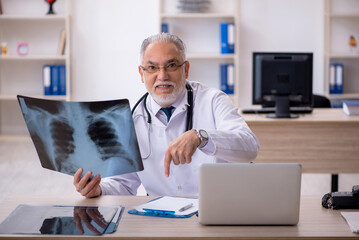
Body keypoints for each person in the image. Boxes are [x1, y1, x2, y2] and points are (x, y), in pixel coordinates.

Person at [73, 33, 260, 198]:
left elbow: (250, 146)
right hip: (163, 216)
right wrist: (98, 190)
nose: (162, 76)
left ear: (185, 69)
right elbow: (123, 183)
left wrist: (201, 137)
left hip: (218, 210)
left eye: (171, 65)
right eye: (152, 68)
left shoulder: (213, 100)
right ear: (141, 73)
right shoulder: (130, 119)